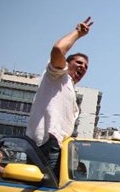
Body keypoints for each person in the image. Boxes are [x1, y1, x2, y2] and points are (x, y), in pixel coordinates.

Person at [26, 17, 94, 178]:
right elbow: (58, 49)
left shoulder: (69, 88)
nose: (83, 67)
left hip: (60, 149)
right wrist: (78, 33)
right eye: (79, 63)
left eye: (86, 67)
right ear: (66, 63)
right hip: (46, 145)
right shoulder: (58, 76)